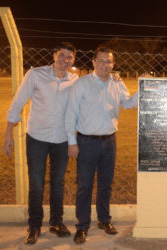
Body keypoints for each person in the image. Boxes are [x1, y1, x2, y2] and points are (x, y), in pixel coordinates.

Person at [3, 42, 78, 244]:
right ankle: (34, 226)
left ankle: (56, 222)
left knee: (58, 183)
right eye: (62, 55)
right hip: (37, 138)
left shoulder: (74, 79)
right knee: (36, 184)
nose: (65, 60)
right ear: (54, 55)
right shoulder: (35, 75)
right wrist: (8, 134)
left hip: (61, 140)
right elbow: (18, 103)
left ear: (74, 60)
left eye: (69, 57)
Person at [65, 46, 138, 244]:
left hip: (109, 141)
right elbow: (71, 114)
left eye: (109, 61)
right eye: (102, 61)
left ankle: (104, 220)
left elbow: (129, 103)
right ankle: (82, 226)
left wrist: (143, 88)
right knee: (84, 186)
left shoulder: (117, 83)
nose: (106, 65)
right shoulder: (82, 84)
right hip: (86, 141)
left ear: (113, 64)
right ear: (93, 62)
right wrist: (72, 142)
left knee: (106, 184)